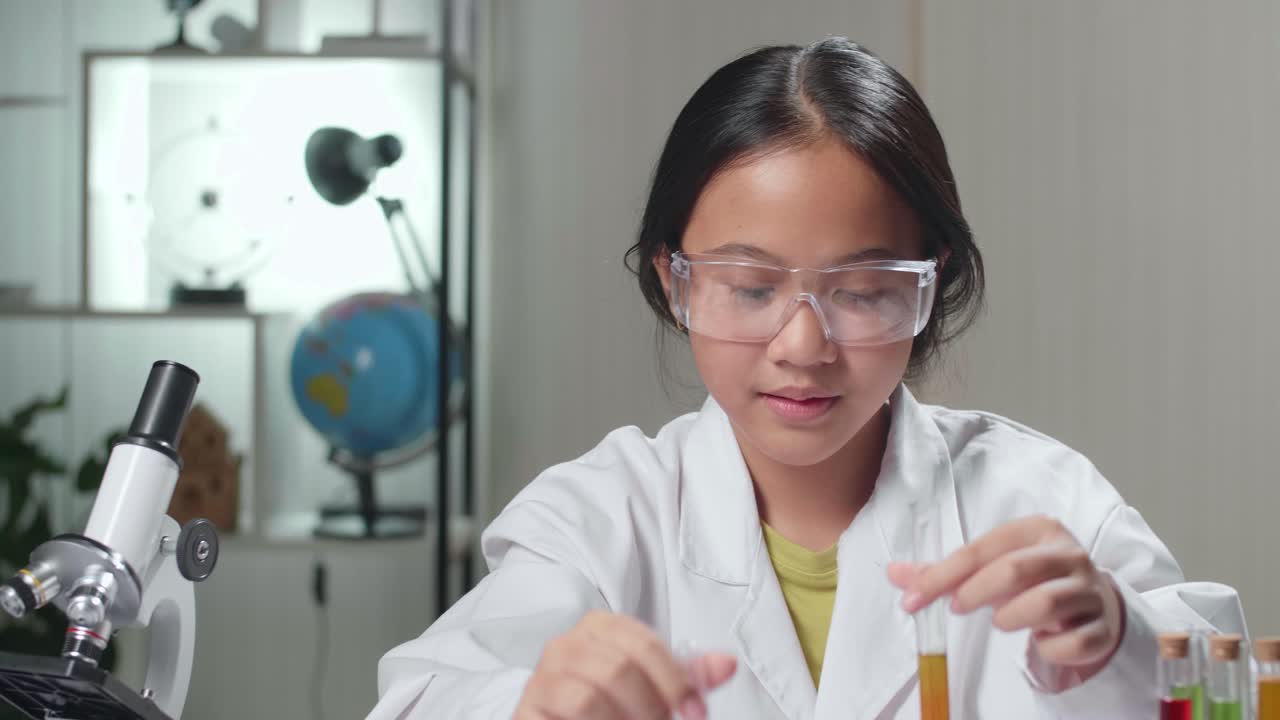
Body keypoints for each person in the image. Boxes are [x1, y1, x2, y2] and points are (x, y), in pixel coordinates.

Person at [368, 38, 1245, 719]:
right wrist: (527, 704)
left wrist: (1120, 643)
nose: (802, 344)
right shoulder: (601, 521)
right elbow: (416, 701)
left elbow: (1234, 689)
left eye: (863, 292)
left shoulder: (1035, 500)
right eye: (750, 287)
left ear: (929, 287)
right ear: (676, 279)